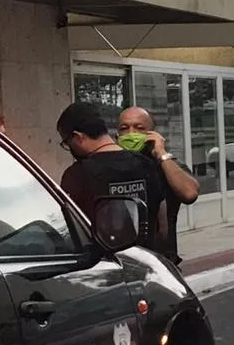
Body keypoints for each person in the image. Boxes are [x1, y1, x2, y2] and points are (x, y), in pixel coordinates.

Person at [56, 102, 165, 249]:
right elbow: (160, 219)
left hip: (105, 265)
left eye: (67, 143)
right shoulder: (146, 164)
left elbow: (71, 229)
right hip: (144, 259)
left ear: (77, 137)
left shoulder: (77, 175)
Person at [117, 106, 200, 265]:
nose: (131, 133)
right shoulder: (111, 165)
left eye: (139, 128)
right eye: (124, 128)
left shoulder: (167, 165)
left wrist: (161, 153)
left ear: (152, 134)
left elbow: (189, 193)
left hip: (161, 261)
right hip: (123, 260)